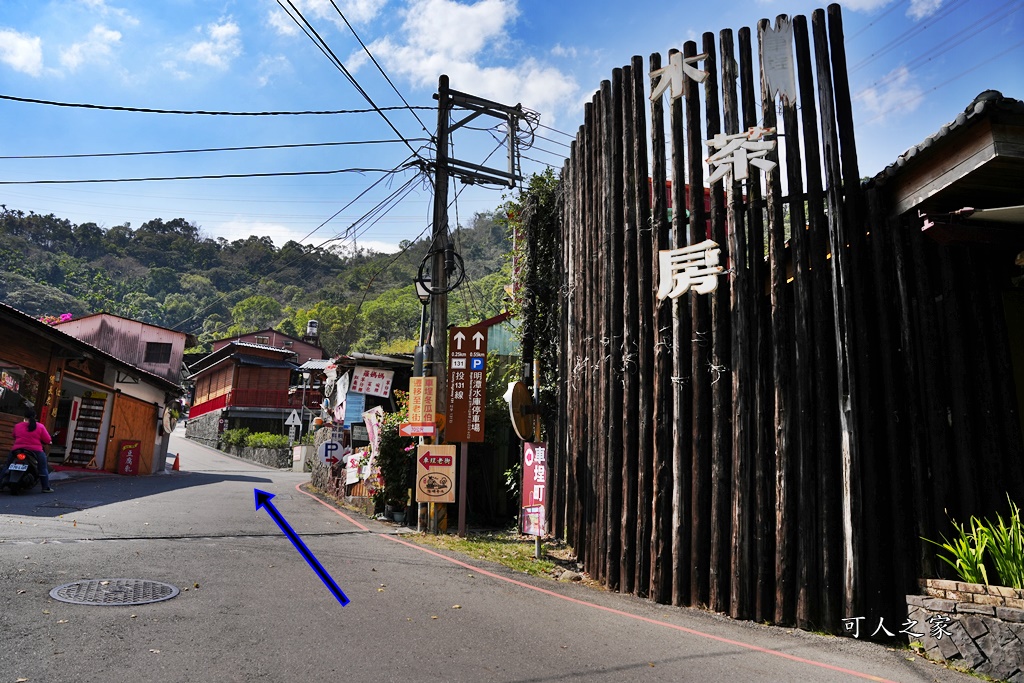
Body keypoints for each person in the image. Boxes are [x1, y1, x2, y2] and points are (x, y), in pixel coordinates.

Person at [12, 408, 53, 492]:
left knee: (7, 466)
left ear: (24, 416)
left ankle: (1, 485)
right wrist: (49, 442)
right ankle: (45, 487)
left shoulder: (17, 426)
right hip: (35, 450)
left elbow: (14, 436)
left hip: (17, 450)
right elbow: (47, 439)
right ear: (35, 416)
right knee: (43, 468)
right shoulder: (40, 426)